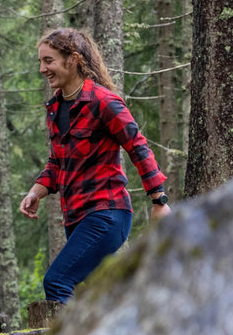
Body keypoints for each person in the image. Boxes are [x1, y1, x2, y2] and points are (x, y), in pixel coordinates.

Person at [20, 27, 171, 304]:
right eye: (41, 61)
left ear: (74, 59)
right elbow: (57, 162)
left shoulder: (103, 101)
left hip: (106, 214)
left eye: (49, 60)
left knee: (57, 281)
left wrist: (159, 200)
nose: (42, 69)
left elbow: (138, 147)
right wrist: (35, 192)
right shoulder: (56, 108)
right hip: (75, 218)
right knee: (105, 297)